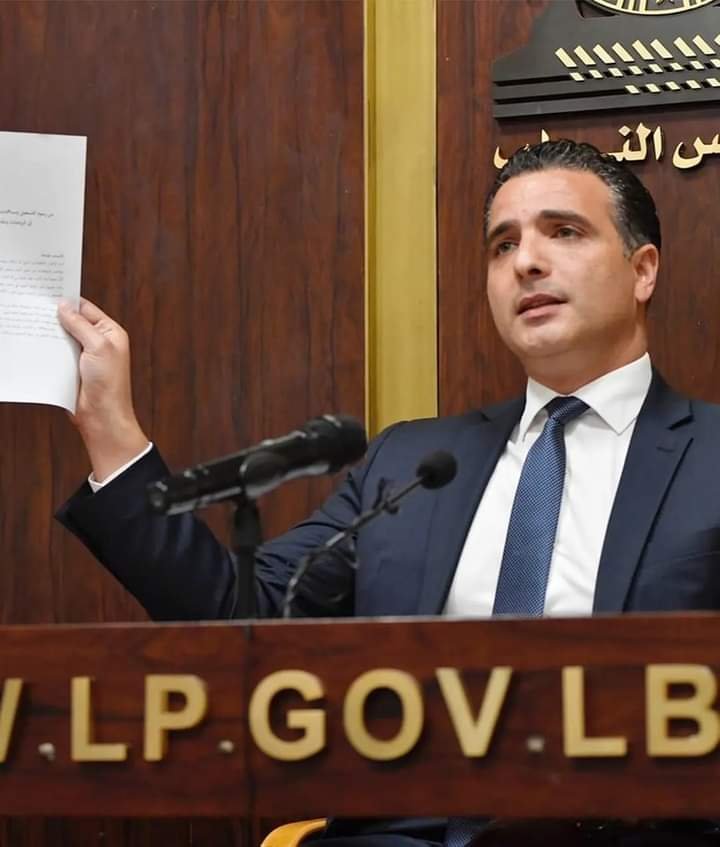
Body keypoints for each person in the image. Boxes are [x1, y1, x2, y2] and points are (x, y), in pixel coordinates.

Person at [55, 140, 720, 845]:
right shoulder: (413, 463)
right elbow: (237, 615)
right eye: (502, 245)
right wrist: (111, 428)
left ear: (642, 270)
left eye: (564, 231)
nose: (525, 261)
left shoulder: (708, 454)